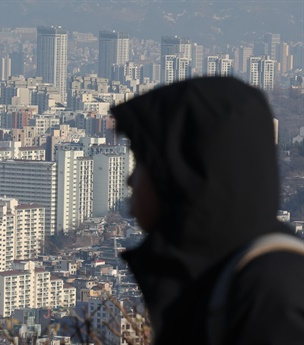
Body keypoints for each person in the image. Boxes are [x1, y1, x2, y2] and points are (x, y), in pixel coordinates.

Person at [111, 77, 304, 345]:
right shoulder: (211, 277)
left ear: (181, 173)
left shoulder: (269, 294)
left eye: (142, 161)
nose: (130, 180)